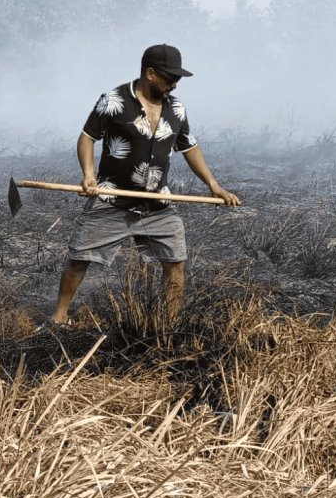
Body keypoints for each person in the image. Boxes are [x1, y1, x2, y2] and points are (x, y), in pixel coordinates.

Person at [48, 43, 241, 328]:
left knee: (175, 261)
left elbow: (190, 148)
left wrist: (214, 185)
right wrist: (89, 175)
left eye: (177, 78)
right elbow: (87, 137)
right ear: (150, 73)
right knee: (79, 257)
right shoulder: (113, 100)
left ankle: (169, 324)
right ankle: (59, 316)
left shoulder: (177, 109)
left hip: (157, 204)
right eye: (170, 77)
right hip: (112, 198)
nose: (174, 84)